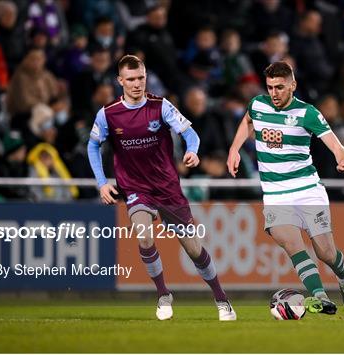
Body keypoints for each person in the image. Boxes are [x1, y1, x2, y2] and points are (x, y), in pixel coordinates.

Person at [87, 55, 236, 321]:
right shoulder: (108, 114)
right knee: (143, 235)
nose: (136, 84)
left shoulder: (161, 106)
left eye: (140, 78)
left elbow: (191, 133)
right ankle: (163, 294)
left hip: (167, 187)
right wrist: (101, 182)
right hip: (134, 187)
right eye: (130, 79)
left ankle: (222, 299)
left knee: (193, 248)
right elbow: (93, 145)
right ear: (120, 81)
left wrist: (192, 151)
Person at [227, 61, 344, 315]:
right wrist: (234, 149)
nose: (274, 93)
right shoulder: (258, 104)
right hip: (276, 194)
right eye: (270, 87)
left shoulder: (307, 113)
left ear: (293, 85)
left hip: (308, 189)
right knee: (291, 244)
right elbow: (247, 121)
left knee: (326, 252)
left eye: (279, 87)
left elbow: (334, 142)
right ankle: (320, 296)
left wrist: (343, 158)